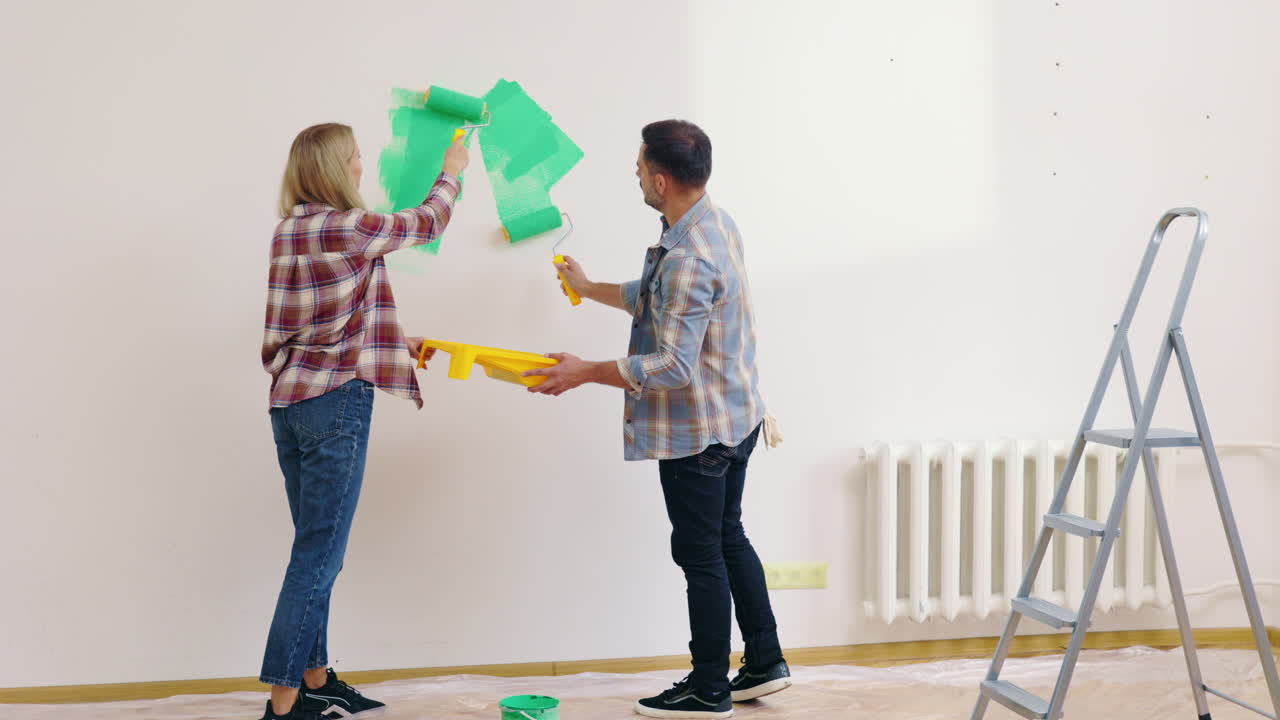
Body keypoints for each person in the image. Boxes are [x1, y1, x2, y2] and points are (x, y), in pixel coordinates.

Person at [525, 120, 789, 719]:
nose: (636, 174)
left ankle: (708, 686)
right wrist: (588, 287)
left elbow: (670, 365)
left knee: (700, 553)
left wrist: (583, 371)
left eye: (640, 167)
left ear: (662, 180)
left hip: (702, 434)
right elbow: (657, 293)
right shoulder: (712, 222)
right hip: (738, 415)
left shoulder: (688, 257)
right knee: (727, 536)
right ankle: (766, 663)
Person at [258, 122, 468, 720]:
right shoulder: (348, 226)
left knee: (313, 547)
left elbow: (328, 316)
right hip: (336, 405)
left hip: (291, 406)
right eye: (354, 158)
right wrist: (453, 168)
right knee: (320, 557)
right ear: (331, 169)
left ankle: (317, 680)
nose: (360, 166)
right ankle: (283, 703)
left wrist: (394, 342)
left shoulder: (289, 232)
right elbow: (426, 222)